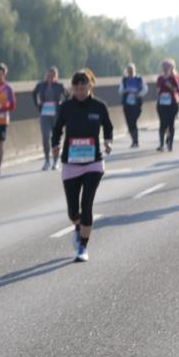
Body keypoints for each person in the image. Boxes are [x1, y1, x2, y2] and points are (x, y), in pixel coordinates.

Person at [51, 71, 113, 262]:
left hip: (93, 163)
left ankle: (82, 247)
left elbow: (108, 126)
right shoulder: (66, 107)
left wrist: (108, 141)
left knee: (87, 205)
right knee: (72, 211)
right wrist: (55, 145)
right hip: (71, 163)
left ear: (89, 86)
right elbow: (57, 129)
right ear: (72, 88)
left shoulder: (99, 106)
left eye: (82, 87)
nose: (79, 91)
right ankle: (78, 226)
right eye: (76, 88)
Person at [32, 66, 68, 170]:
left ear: (56, 77)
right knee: (45, 137)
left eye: (53, 76)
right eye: (49, 75)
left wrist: (61, 105)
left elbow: (67, 95)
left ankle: (55, 161)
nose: (50, 78)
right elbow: (33, 93)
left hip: (56, 115)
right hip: (45, 114)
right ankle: (47, 160)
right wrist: (37, 105)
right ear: (46, 76)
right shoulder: (41, 85)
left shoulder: (59, 86)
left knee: (55, 138)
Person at [154, 59, 179, 152]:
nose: (165, 69)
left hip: (172, 104)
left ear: (172, 67)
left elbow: (178, 91)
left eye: (167, 67)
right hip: (162, 103)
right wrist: (160, 90)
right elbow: (158, 89)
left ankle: (170, 144)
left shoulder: (175, 78)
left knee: (171, 124)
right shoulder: (160, 78)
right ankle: (161, 144)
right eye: (164, 67)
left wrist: (169, 85)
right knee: (162, 123)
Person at [118, 63, 148, 148]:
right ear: (127, 71)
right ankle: (134, 140)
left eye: (132, 70)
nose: (130, 72)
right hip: (127, 104)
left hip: (136, 104)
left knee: (133, 121)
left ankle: (136, 140)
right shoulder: (124, 80)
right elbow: (120, 90)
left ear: (134, 70)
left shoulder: (139, 79)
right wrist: (125, 91)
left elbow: (145, 89)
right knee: (129, 122)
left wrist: (139, 94)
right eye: (129, 71)